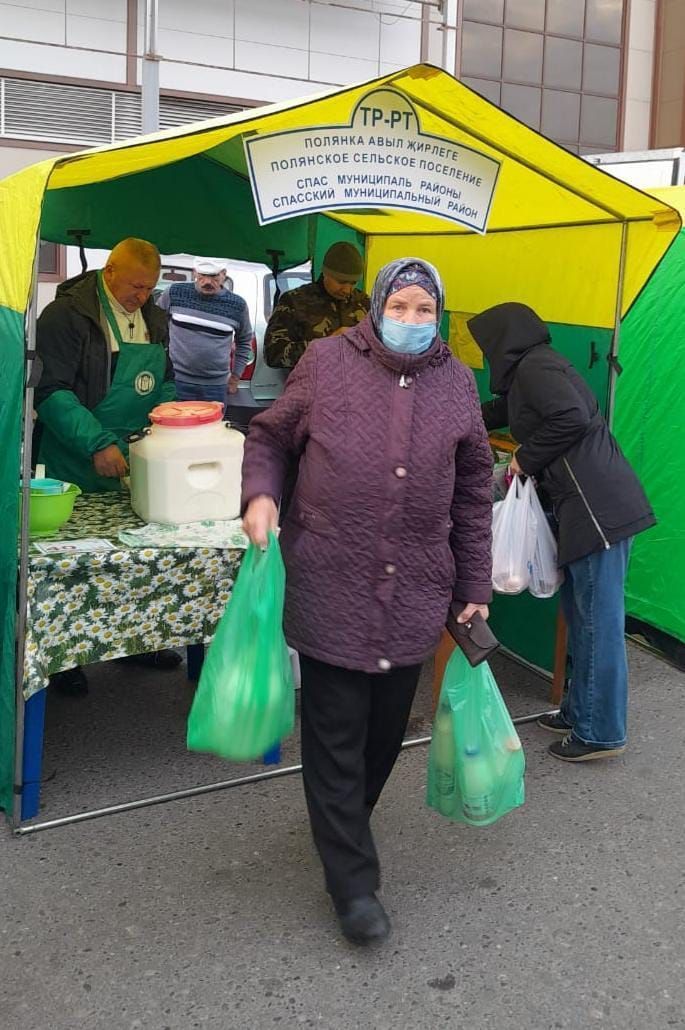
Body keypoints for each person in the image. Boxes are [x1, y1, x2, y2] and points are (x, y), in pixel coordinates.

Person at [242, 258, 493, 945]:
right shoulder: (325, 361)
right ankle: (352, 883)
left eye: (423, 310)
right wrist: (261, 493)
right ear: (375, 304)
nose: (410, 320)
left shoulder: (457, 382)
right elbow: (268, 436)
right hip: (331, 578)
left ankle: (340, 827)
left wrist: (473, 587)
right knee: (335, 735)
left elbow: (473, 493)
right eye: (400, 306)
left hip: (415, 587)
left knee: (382, 738)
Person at [469, 302, 656, 763]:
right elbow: (497, 410)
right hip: (587, 508)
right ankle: (579, 711)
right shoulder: (531, 372)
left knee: (598, 625)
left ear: (502, 341)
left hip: (598, 510)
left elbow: (571, 417)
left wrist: (523, 458)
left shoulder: (536, 366)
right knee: (581, 618)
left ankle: (602, 732)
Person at [34, 237, 181, 695]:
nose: (142, 296)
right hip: (74, 458)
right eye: (135, 286)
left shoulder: (155, 317)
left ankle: (139, 642)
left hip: (136, 457)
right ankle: (64, 659)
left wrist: (171, 426)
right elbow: (50, 392)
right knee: (73, 566)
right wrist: (96, 443)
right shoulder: (66, 315)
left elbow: (165, 381)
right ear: (110, 270)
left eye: (149, 288)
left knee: (136, 559)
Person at [157, 256, 253, 405]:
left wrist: (235, 377)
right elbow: (155, 328)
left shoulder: (237, 305)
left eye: (213, 276)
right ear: (194, 272)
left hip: (216, 387)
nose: (207, 282)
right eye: (203, 275)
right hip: (175, 381)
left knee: (211, 428)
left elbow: (244, 342)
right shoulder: (174, 293)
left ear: (224, 274)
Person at [264, 241, 370, 369]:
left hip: (358, 386)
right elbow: (272, 354)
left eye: (353, 283)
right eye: (341, 281)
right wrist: (326, 346)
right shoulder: (295, 301)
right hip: (310, 386)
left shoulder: (364, 303)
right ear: (325, 273)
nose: (347, 290)